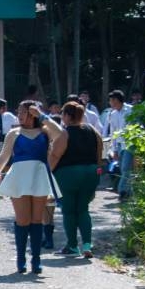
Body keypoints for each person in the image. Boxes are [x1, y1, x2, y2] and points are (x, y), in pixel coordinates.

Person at [0, 101, 65, 274]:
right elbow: (3, 157)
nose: (20, 116)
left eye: (24, 112)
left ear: (33, 114)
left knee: (37, 220)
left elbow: (60, 133)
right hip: (19, 177)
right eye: (19, 112)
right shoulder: (14, 133)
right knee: (22, 220)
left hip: (39, 176)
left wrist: (42, 115)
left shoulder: (44, 131)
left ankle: (36, 259)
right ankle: (21, 258)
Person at [53, 102, 104, 258]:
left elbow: (55, 155)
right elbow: (99, 153)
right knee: (83, 210)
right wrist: (97, 172)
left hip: (68, 175)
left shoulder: (64, 133)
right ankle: (87, 244)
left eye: (63, 114)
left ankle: (73, 245)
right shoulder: (93, 131)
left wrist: (47, 173)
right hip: (90, 172)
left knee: (68, 211)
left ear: (68, 116)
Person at [103, 90, 134, 201]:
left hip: (130, 143)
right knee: (122, 169)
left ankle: (122, 191)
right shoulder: (113, 114)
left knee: (125, 168)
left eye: (111, 100)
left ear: (116, 100)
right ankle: (129, 191)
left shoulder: (131, 110)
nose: (110, 103)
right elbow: (113, 132)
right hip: (120, 144)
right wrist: (114, 149)